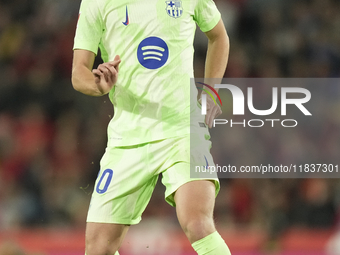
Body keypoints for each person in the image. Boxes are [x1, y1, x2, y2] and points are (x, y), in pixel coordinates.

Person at [71, 0, 230, 254]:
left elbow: (218, 35)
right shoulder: (96, 2)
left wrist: (211, 91)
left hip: (182, 130)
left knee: (198, 223)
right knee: (98, 247)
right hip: (127, 138)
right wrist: (97, 84)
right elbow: (79, 72)